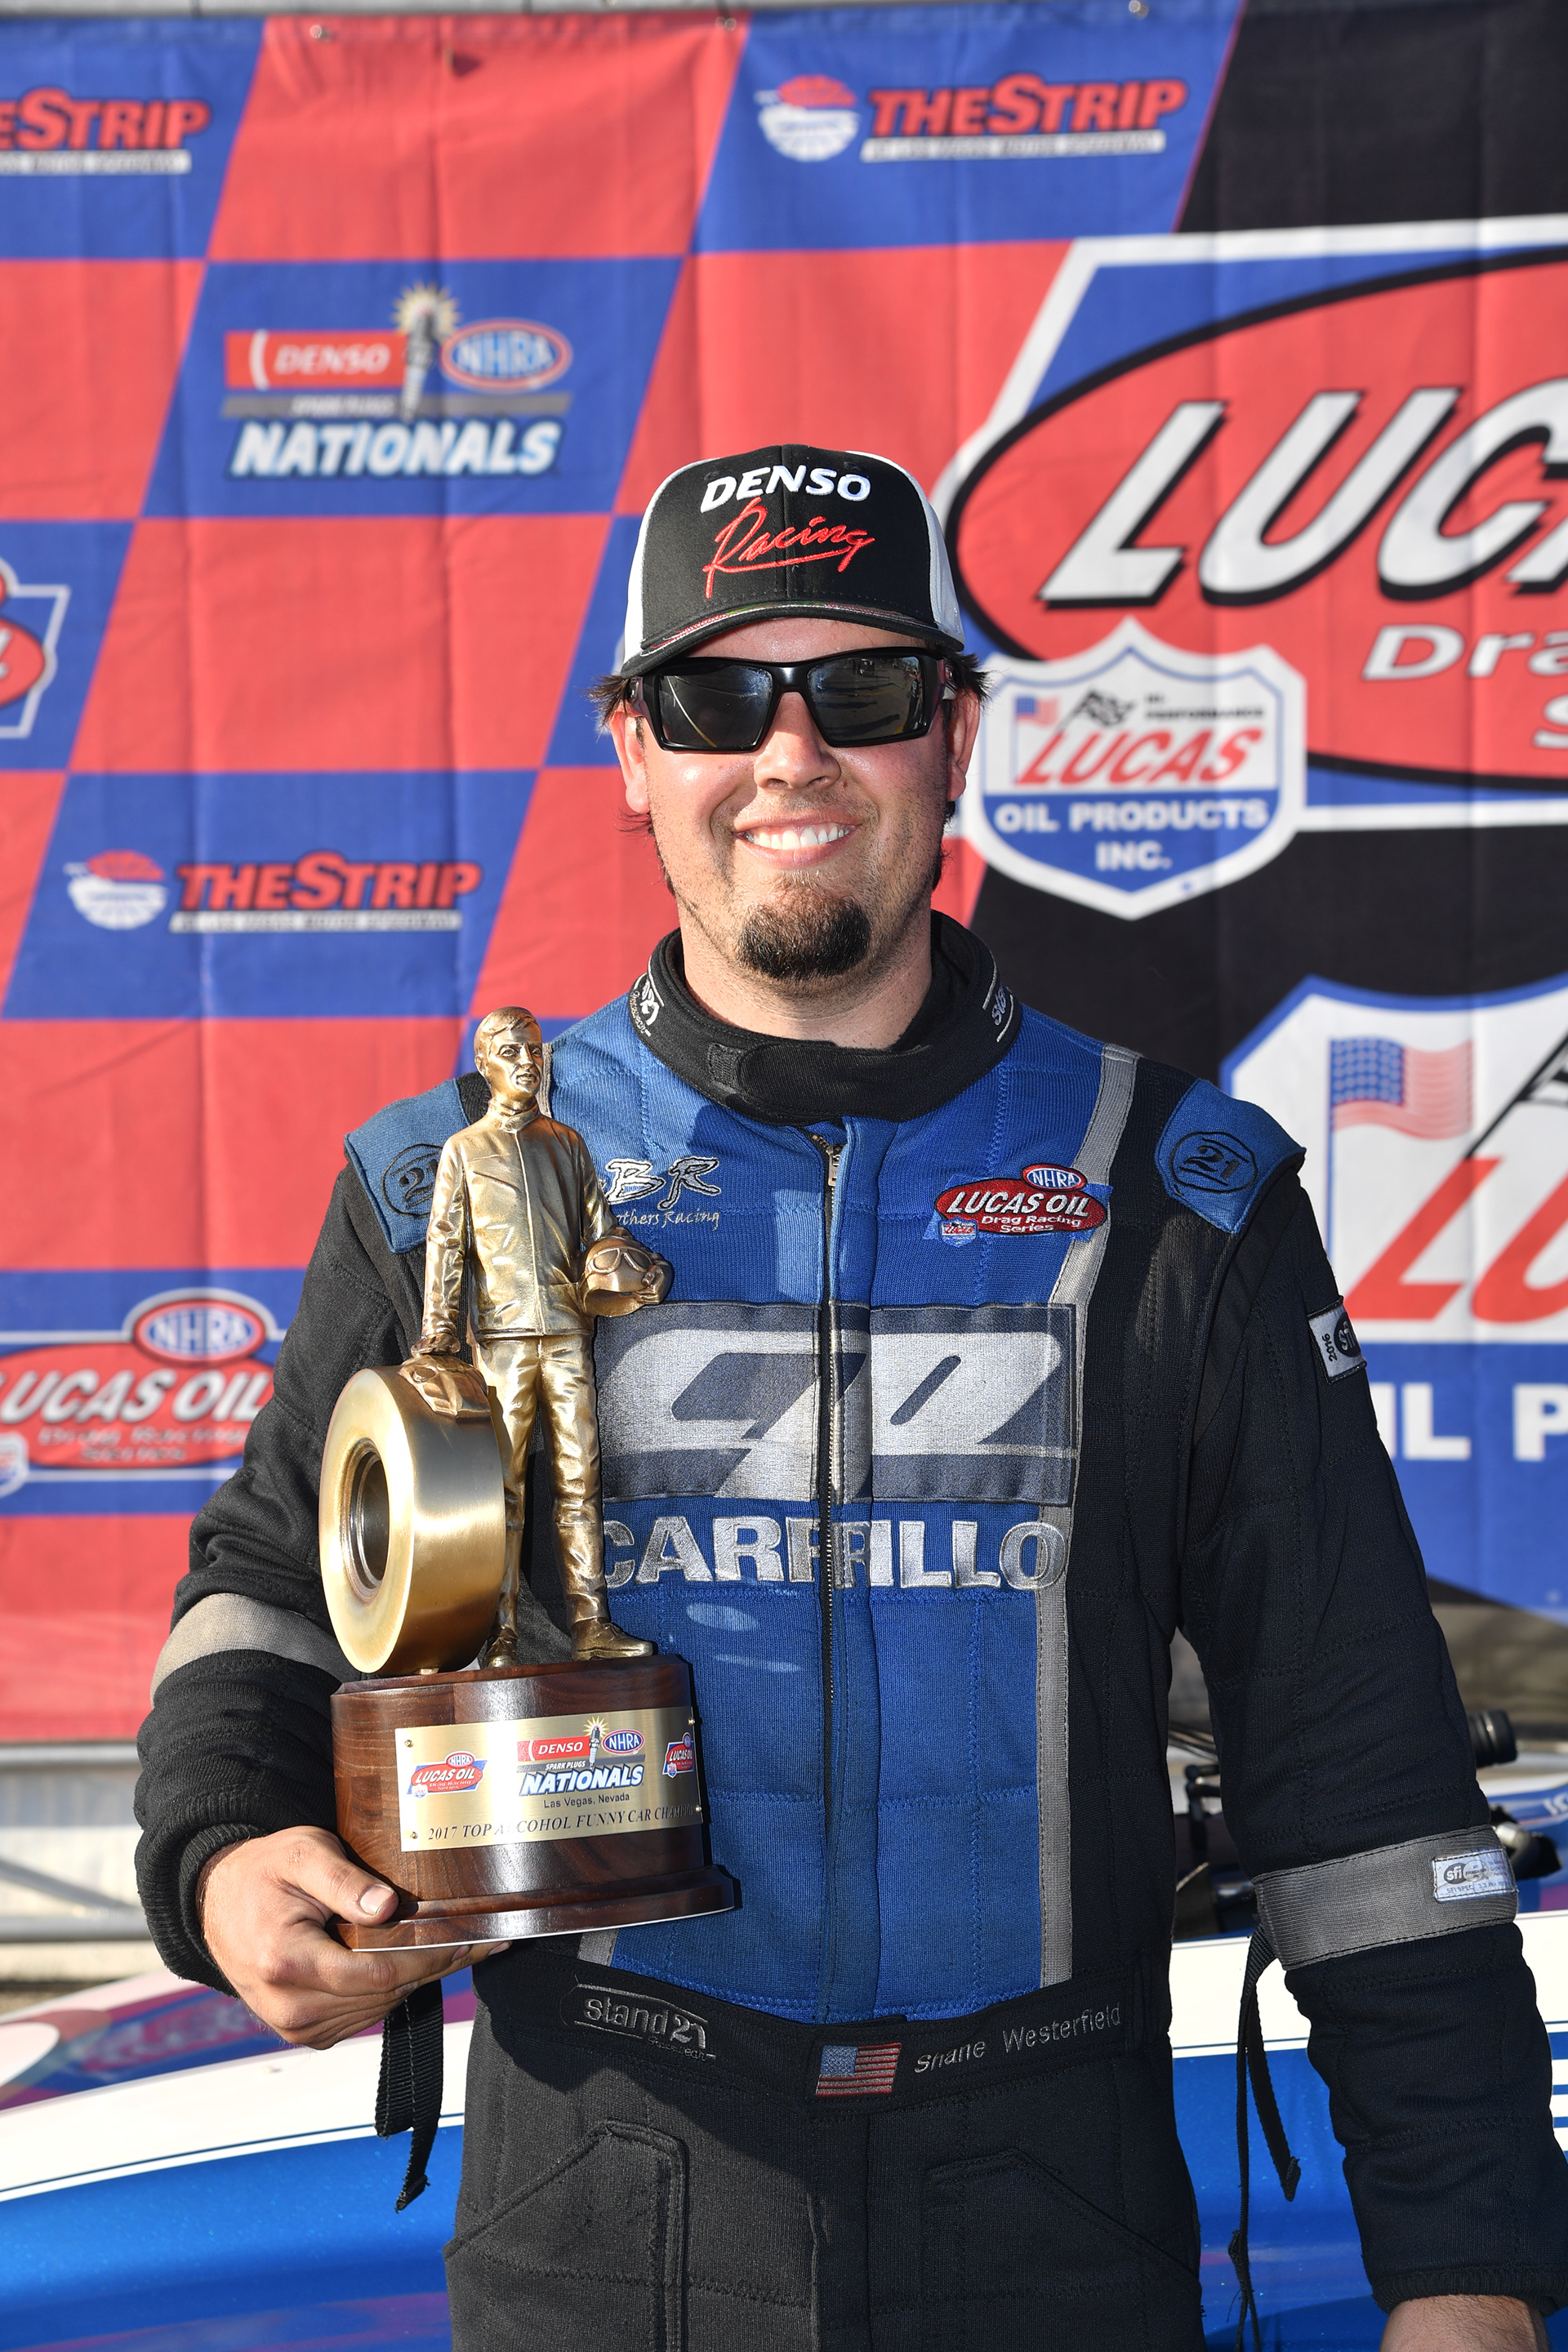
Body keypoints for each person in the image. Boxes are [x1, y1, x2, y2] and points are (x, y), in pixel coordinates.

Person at [136, 443, 1567, 2350]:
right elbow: (272, 1588)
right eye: (719, 699)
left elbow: (1361, 1762)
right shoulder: (447, 1179)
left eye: (863, 690)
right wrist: (229, 1851)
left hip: (1052, 2203)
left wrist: (1469, 2272)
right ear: (634, 753)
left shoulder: (1175, 1194)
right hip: (603, 2179)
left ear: (952, 738)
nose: (791, 755)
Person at [406, 1002, 668, 1665]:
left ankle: (592, 1624)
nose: (528, 1061)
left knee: (582, 1481)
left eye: (533, 1049)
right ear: (484, 1065)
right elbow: (446, 1247)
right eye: (511, 1051)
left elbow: (602, 1231)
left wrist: (645, 1272)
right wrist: (439, 1338)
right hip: (501, 1342)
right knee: (503, 1490)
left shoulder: (566, 1143)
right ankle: (500, 1631)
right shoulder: (464, 1151)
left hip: (569, 1333)